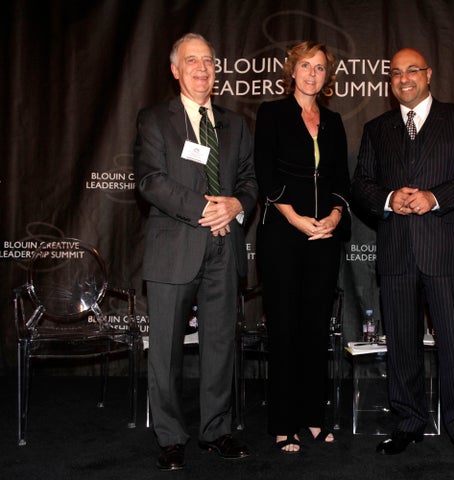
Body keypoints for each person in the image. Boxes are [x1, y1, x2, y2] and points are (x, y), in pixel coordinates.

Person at [351, 48, 454, 462]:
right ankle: (408, 422)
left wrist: (434, 197)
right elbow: (362, 184)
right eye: (395, 73)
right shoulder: (377, 128)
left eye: (412, 70)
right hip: (396, 251)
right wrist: (392, 198)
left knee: (453, 342)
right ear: (389, 81)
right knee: (401, 345)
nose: (404, 78)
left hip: (444, 250)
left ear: (429, 74)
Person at [134, 33, 258, 471]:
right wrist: (206, 207)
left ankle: (217, 430)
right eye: (192, 61)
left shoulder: (236, 123)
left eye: (208, 61)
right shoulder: (154, 119)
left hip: (225, 248)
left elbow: (249, 180)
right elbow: (150, 180)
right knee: (166, 350)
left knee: (220, 344)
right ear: (175, 70)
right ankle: (169, 437)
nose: (202, 69)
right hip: (174, 249)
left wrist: (238, 204)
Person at [254, 41, 350, 454]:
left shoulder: (333, 121)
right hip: (282, 235)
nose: (313, 73)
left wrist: (334, 217)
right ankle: (282, 422)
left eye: (320, 67)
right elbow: (264, 171)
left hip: (323, 240)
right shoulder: (271, 114)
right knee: (285, 330)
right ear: (292, 71)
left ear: (328, 77)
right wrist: (293, 217)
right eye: (306, 66)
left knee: (315, 330)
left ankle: (313, 416)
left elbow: (342, 181)